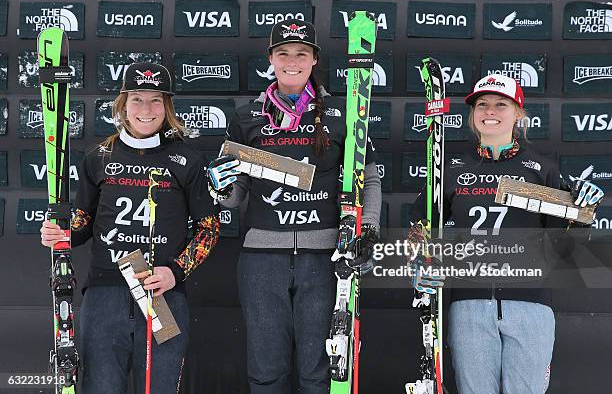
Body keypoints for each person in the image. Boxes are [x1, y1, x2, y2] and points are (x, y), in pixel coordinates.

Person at [206, 19, 381, 393]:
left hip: (325, 259)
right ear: (271, 58)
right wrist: (219, 187)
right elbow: (234, 198)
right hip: (261, 259)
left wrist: (369, 229)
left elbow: (370, 178)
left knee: (319, 369)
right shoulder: (246, 118)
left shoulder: (344, 113)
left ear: (314, 60)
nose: (292, 61)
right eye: (283, 53)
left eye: (301, 53)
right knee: (266, 369)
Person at [407, 74, 604, 394]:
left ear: (518, 113)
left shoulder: (540, 169)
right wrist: (420, 260)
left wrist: (582, 215)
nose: (490, 111)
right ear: (472, 114)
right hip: (469, 304)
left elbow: (564, 247)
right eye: (482, 104)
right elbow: (421, 223)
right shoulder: (452, 168)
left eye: (501, 104)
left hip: (530, 304)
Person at [40, 62, 221, 394]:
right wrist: (61, 233)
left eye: (155, 100)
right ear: (123, 104)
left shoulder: (187, 160)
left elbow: (209, 229)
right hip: (105, 294)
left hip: (162, 295)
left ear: (167, 106)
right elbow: (82, 223)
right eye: (137, 99)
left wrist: (175, 272)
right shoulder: (99, 157)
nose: (146, 109)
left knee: (161, 387)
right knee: (102, 387)